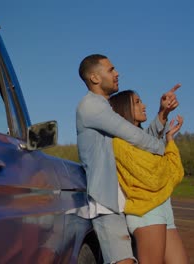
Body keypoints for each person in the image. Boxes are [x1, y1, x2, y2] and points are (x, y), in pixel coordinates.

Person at [75, 54, 179, 264]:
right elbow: (132, 135)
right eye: (111, 69)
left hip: (128, 200)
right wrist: (164, 150)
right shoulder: (90, 106)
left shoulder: (106, 108)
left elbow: (133, 141)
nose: (117, 73)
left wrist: (162, 115)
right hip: (108, 204)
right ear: (95, 78)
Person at [110, 90, 189, 264]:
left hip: (164, 208)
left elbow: (173, 172)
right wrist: (167, 161)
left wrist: (169, 139)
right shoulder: (120, 143)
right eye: (137, 102)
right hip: (147, 211)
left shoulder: (140, 140)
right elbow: (154, 178)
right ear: (124, 109)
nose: (144, 105)